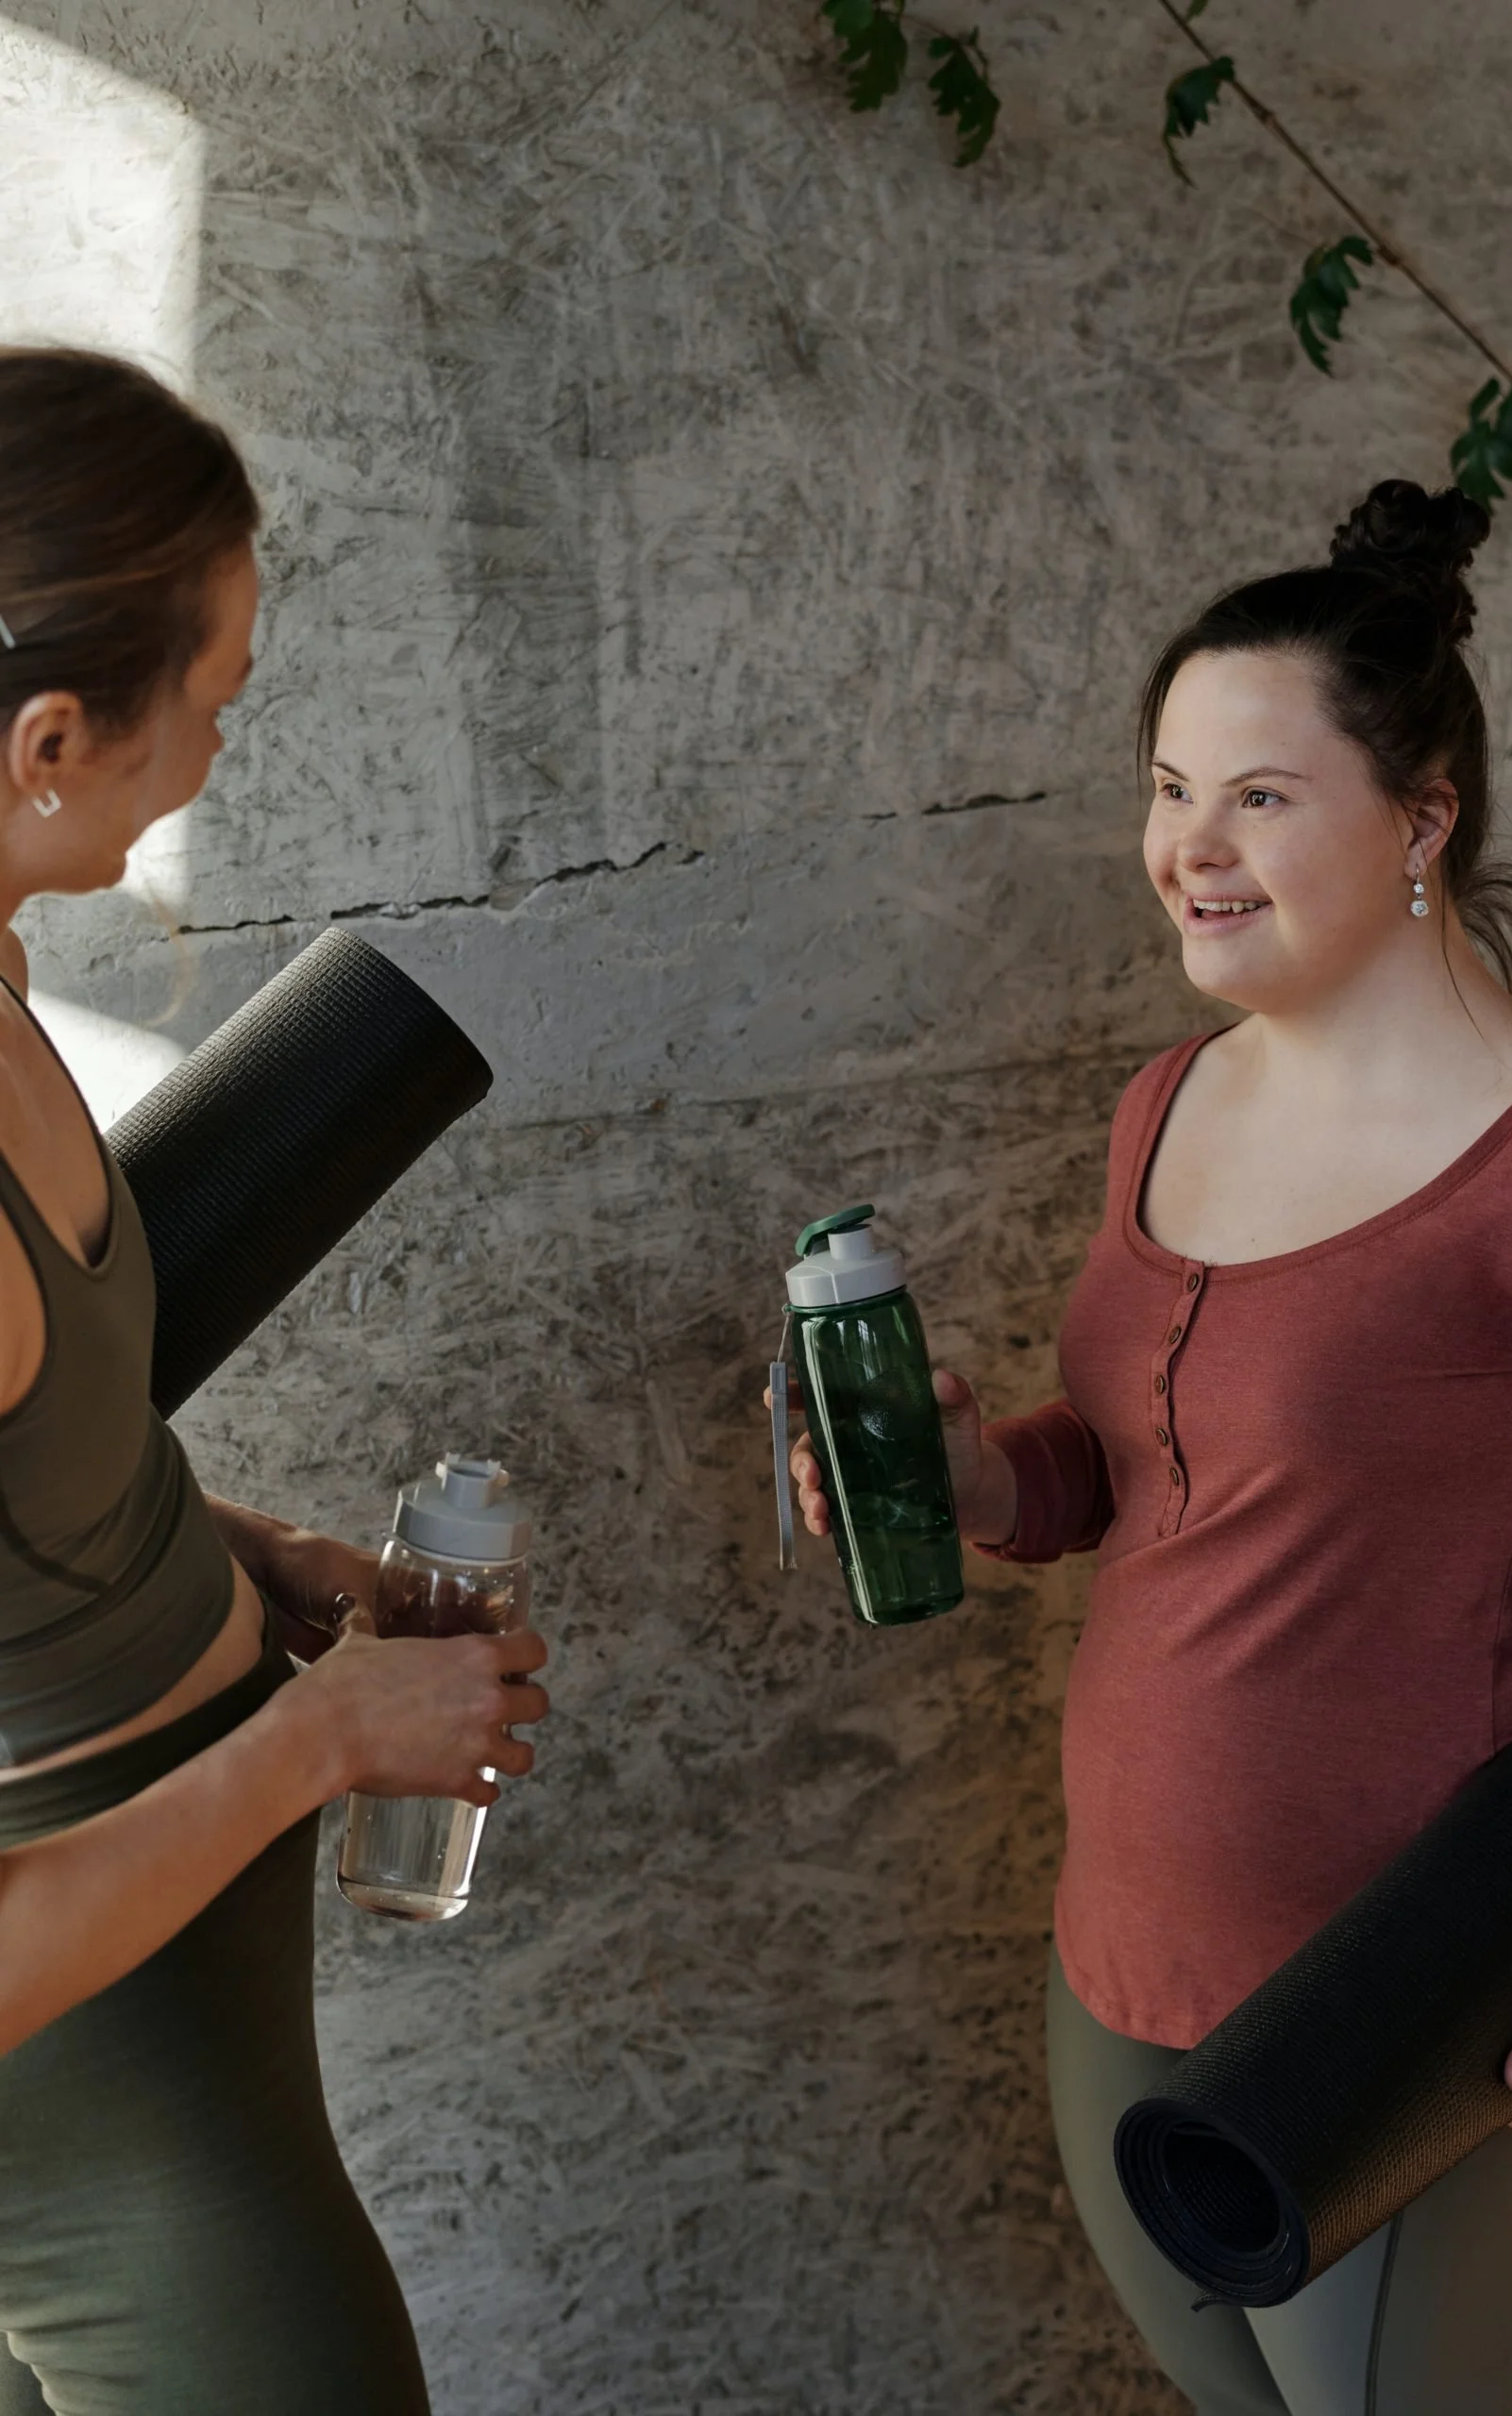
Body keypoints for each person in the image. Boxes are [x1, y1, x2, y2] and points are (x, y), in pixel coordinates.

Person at [786, 480, 1512, 2415]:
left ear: (1418, 817)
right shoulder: (1168, 1096)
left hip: (1399, 2016)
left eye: (1254, 793)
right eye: (1167, 787)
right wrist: (985, 1481)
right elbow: (1152, 1473)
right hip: (1121, 1964)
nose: (1183, 846)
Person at [0, 346, 548, 2416]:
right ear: (55, 734)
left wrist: (255, 1562)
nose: (218, 750)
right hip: (90, 2074)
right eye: (210, 700)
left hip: (182, 2010)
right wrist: (317, 1744)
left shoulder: (2, 963)